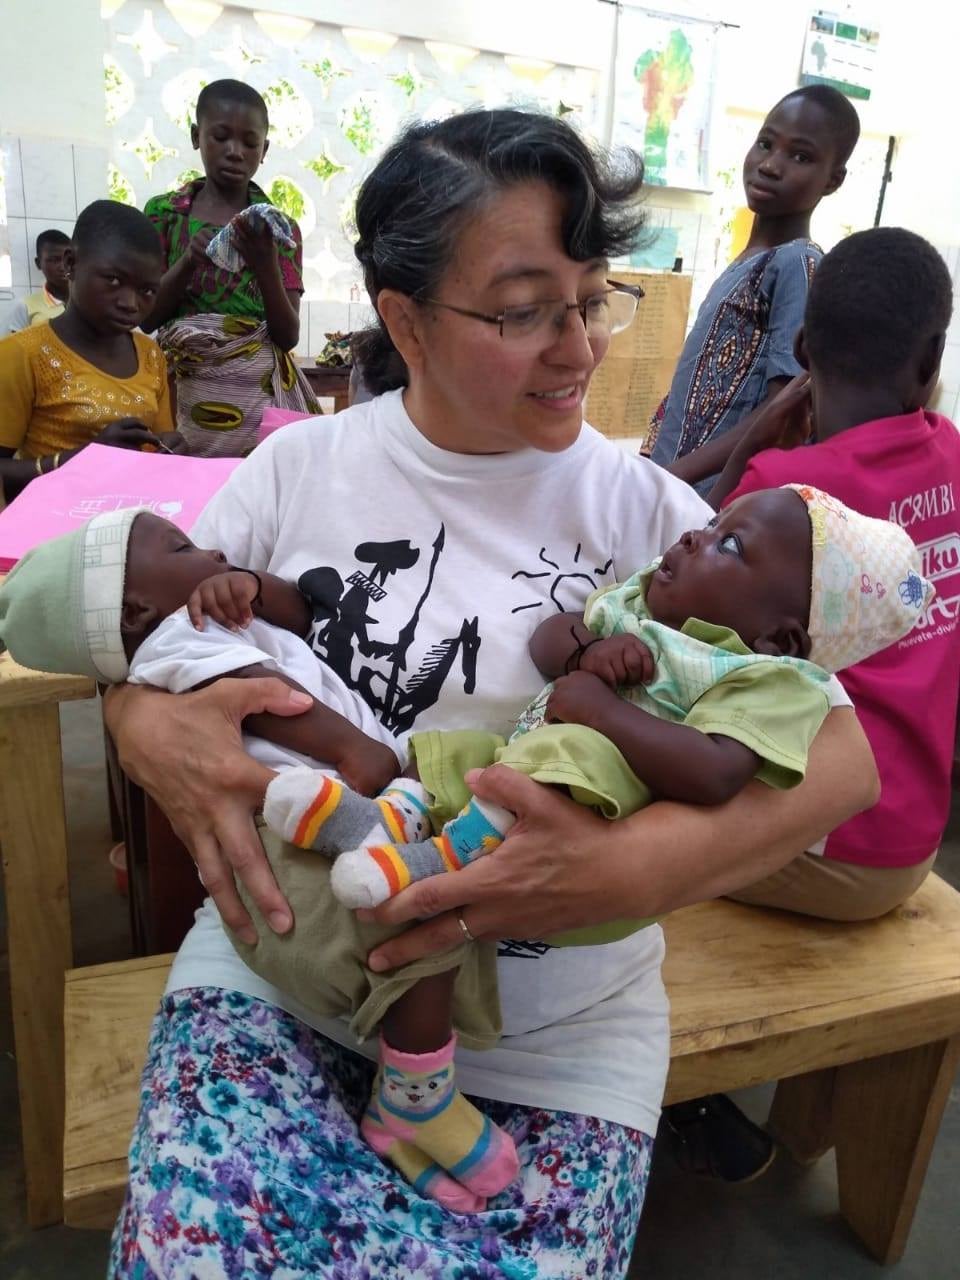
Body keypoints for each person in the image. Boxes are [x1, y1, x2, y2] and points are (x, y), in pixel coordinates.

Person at [90, 109, 876, 1277]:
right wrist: (146, 723)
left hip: (554, 1036)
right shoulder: (298, 468)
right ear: (403, 318)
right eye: (522, 311)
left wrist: (625, 873)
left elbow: (846, 759)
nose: (579, 349)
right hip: (287, 978)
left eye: (589, 297)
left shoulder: (650, 517)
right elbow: (145, 641)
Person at [330, 485, 929, 912]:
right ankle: (385, 816)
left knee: (558, 758)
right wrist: (583, 653)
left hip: (594, 788)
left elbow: (716, 770)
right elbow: (553, 633)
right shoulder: (645, 603)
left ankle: (436, 863)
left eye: (730, 547)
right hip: (520, 750)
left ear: (780, 637)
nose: (696, 534)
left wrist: (600, 711)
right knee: (448, 752)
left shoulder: (768, 680)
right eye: (714, 522)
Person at [710, 227, 960, 921]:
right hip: (912, 843)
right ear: (932, 358)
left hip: (820, 850)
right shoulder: (954, 457)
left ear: (800, 352)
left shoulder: (780, 489)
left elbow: (671, 602)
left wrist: (739, 467)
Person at [646, 84, 860, 494]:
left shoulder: (798, 263)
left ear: (833, 180)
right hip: (670, 488)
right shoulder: (750, 259)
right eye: (765, 144)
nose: (770, 165)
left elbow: (783, 411)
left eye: (800, 156)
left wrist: (674, 478)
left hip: (707, 501)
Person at [142, 78, 318, 457]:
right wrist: (188, 261)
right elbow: (146, 318)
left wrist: (265, 264)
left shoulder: (279, 230)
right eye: (221, 137)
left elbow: (287, 336)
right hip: (181, 399)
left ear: (264, 149)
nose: (235, 152)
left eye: (250, 143)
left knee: (255, 496)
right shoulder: (164, 216)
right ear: (196, 136)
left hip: (259, 403)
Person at [0, 201, 183, 503]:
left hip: (133, 525)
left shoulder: (151, 355)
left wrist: (169, 448)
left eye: (147, 290)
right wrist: (83, 460)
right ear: (71, 263)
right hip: (50, 533)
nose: (130, 303)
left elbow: (157, 445)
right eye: (113, 280)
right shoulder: (22, 355)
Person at [6, 228, 71, 332]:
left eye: (68, 259)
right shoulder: (26, 306)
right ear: (38, 263)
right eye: (54, 260)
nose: (63, 267)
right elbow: (17, 346)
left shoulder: (88, 301)